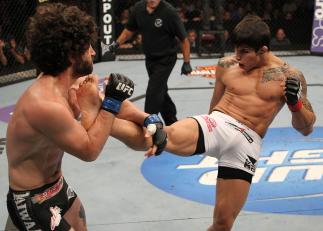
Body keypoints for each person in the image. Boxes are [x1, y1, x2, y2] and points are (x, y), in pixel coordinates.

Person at [99, 14, 316, 231]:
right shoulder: (226, 65)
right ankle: (105, 113)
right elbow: (213, 109)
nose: (237, 57)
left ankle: (121, 112)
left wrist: (295, 104)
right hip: (219, 124)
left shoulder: (289, 76)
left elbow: (306, 128)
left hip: (248, 143)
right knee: (161, 136)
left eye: (244, 52)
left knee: (223, 224)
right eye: (236, 50)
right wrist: (208, 133)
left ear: (263, 51)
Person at [5, 3, 153, 231]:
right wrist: (111, 103)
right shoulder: (45, 104)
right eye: (88, 47)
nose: (93, 52)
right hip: (32, 201)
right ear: (72, 55)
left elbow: (107, 101)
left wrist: (147, 119)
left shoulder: (69, 81)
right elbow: (89, 150)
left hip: (57, 186)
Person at [107, 0, 193, 125]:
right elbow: (129, 30)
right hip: (150, 58)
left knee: (153, 91)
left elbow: (184, 39)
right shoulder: (138, 9)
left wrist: (187, 62)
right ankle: (172, 121)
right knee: (160, 90)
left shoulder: (169, 12)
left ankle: (149, 123)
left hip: (166, 58)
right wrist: (117, 43)